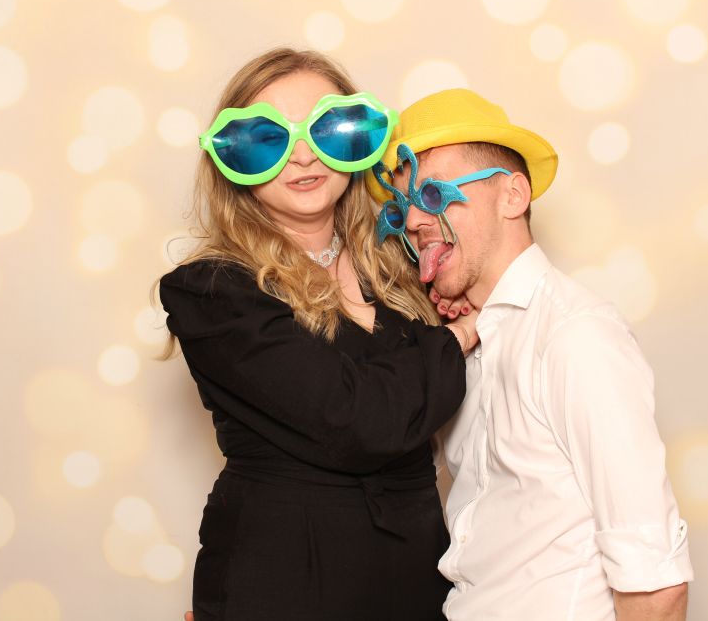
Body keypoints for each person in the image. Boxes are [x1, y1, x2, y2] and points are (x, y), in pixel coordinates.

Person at [157, 49, 478, 621]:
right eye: (269, 138)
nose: (303, 156)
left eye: (326, 130)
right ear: (232, 158)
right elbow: (358, 422)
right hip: (285, 583)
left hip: (418, 576)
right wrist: (457, 337)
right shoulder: (212, 291)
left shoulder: (398, 266)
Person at [368, 88, 694, 620]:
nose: (413, 221)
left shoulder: (575, 336)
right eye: (402, 206)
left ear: (513, 195)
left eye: (432, 193)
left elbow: (655, 582)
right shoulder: (456, 345)